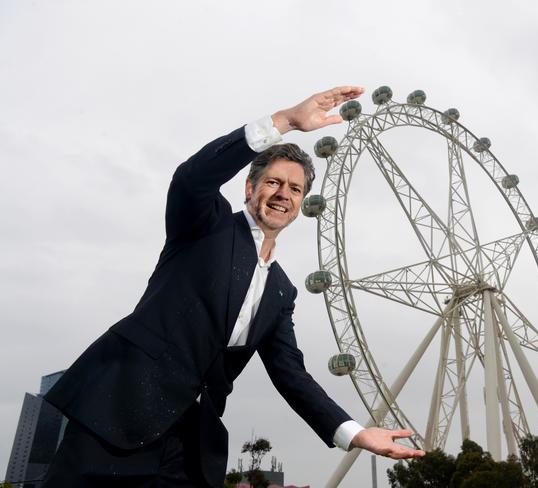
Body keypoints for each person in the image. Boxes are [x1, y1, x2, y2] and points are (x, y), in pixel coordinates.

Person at [42, 86, 425, 488]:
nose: (283, 195)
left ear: (302, 204)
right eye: (274, 183)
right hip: (117, 414)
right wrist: (288, 122)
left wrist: (354, 432)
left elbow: (290, 374)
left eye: (295, 190)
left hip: (188, 447)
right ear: (249, 189)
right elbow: (191, 179)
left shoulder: (281, 292)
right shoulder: (205, 227)